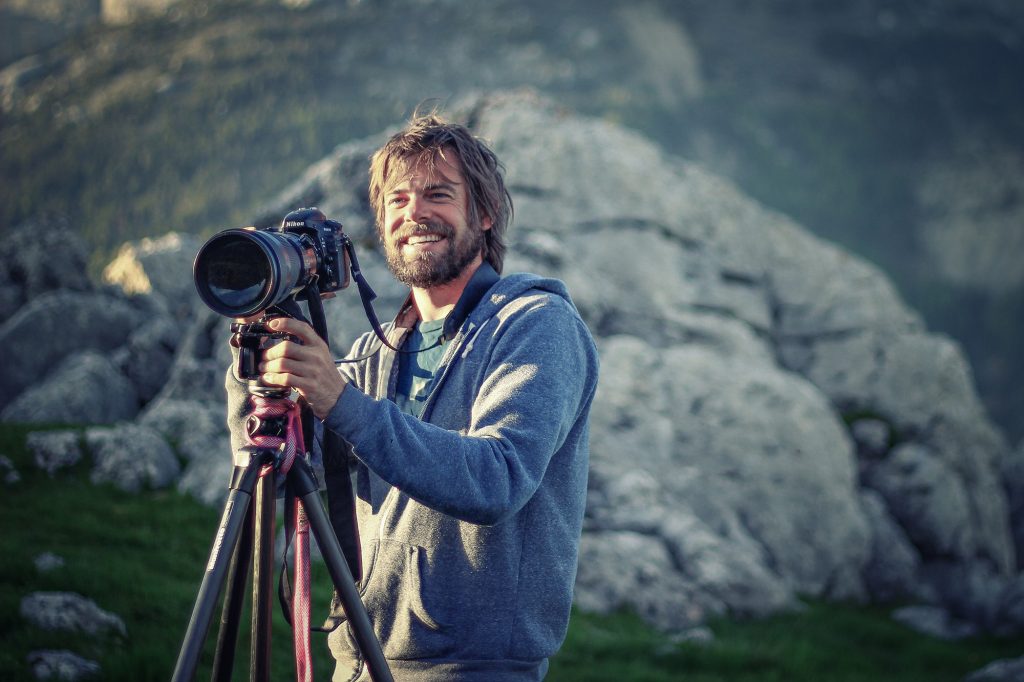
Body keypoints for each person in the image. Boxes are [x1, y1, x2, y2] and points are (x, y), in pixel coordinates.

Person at [225, 112, 599, 681]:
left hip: (471, 669)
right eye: (396, 200)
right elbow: (276, 480)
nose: (414, 213)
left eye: (438, 194)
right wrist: (251, 370)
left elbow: (497, 477)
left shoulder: (537, 326)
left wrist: (341, 401)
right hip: (354, 666)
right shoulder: (375, 352)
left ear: (486, 214)